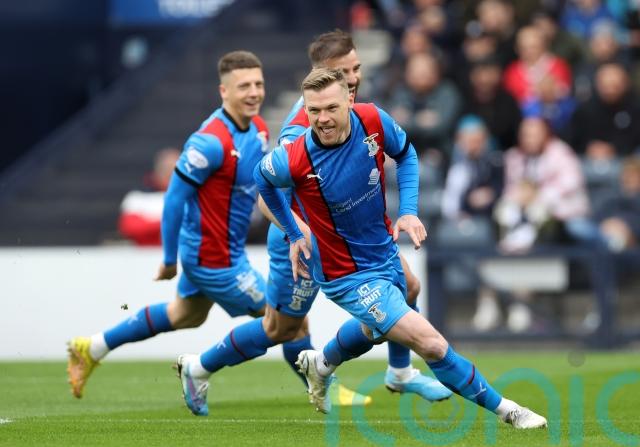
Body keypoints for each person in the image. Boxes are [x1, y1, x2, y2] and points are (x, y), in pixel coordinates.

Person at [175, 30, 451, 417]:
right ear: (321, 74)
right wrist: (295, 232)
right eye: (345, 71)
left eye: (356, 68)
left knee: (408, 286)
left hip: (347, 236)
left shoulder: (352, 111)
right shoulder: (301, 127)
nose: (354, 78)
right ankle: (198, 367)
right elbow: (267, 196)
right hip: (308, 242)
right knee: (280, 329)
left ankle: (400, 372)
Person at [256, 67, 547, 429]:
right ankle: (509, 411)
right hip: (346, 273)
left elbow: (406, 154)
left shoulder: (372, 119)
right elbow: (262, 182)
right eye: (314, 111)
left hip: (383, 251)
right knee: (431, 343)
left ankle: (324, 363)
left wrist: (408, 211)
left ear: (350, 99)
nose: (323, 119)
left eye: (331, 108)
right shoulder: (295, 156)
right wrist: (293, 231)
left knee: (400, 301)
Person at [66, 50, 275, 399]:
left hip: (224, 250)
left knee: (184, 316)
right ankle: (201, 369)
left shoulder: (259, 130)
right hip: (213, 258)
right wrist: (168, 258)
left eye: (258, 84)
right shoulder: (209, 142)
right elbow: (175, 199)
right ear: (224, 91)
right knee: (286, 319)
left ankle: (93, 347)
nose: (254, 93)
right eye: (244, 86)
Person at [117, 147, 180, 246]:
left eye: (176, 171)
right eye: (167, 170)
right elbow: (130, 228)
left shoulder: (194, 198)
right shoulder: (138, 197)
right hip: (147, 253)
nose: (171, 175)